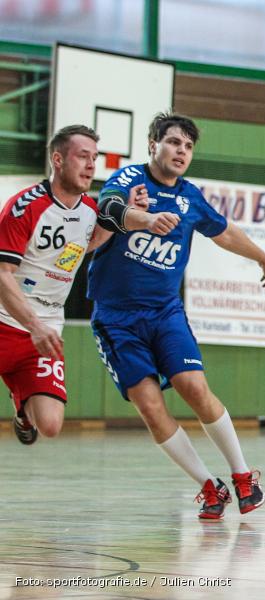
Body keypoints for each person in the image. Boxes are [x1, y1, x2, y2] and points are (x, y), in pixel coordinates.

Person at [88, 112, 265, 520]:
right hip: (116, 318)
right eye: (174, 142)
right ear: (153, 144)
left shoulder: (190, 197)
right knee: (149, 405)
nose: (181, 152)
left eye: (188, 147)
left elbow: (224, 231)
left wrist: (263, 257)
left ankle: (243, 476)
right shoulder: (128, 180)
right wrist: (144, 218)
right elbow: (108, 206)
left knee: (192, 386)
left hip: (164, 312)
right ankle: (209, 488)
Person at [0, 125, 174, 446]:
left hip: (45, 328)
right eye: (83, 156)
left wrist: (132, 211)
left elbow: (88, 242)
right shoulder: (24, 207)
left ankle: (23, 408)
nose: (92, 164)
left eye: (94, 157)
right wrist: (33, 325)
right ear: (58, 159)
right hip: (8, 321)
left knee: (50, 425)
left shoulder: (89, 211)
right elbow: (2, 275)